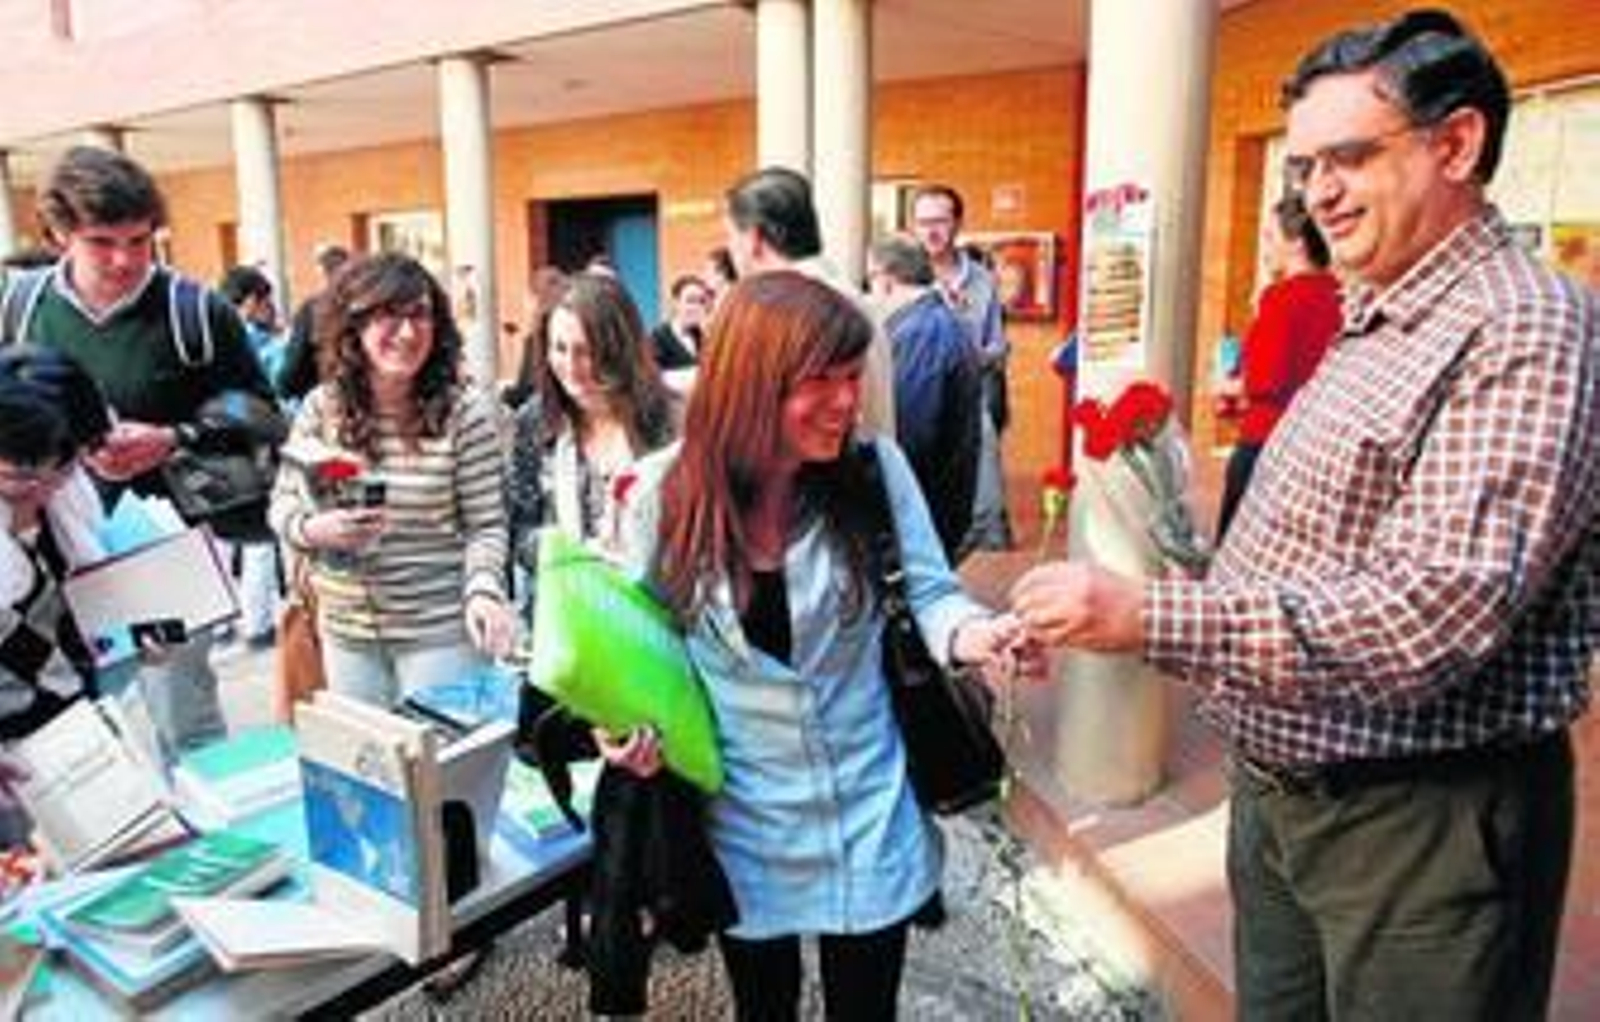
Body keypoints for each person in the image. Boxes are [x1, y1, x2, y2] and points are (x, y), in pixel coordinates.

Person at [1011, 10, 1599, 1020]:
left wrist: (1150, 613)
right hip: (1287, 791)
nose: (1317, 192)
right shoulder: (1374, 309)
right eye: (1303, 166)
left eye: (1349, 157)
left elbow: (1431, 611)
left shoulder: (1526, 322)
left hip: (1415, 818)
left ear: (1456, 143)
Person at [611, 271, 1027, 1020]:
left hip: (868, 806)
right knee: (762, 1010)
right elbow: (635, 646)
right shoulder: (660, 496)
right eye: (822, 381)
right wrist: (623, 730)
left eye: (852, 376)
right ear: (752, 381)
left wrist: (976, 635)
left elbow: (931, 593)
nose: (848, 401)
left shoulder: (875, 469)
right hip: (741, 820)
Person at [3, 146, 274, 758]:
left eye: (140, 240)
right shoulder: (17, 307)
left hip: (162, 543)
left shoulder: (196, 309)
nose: (125, 260)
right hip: (46, 554)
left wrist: (174, 438)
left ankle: (210, 850)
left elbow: (263, 412)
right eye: (103, 242)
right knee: (74, 730)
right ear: (57, 233)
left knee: (186, 717)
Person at [506, 272, 714, 1018]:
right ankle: (619, 960)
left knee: (649, 796)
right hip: (579, 649)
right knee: (620, 805)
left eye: (590, 351)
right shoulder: (536, 424)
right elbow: (517, 531)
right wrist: (570, 550)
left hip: (660, 643)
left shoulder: (670, 423)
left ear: (624, 347)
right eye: (559, 349)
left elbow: (702, 537)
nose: (574, 367)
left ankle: (646, 923)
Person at [268, 252, 514, 708]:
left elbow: (487, 524)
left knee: (443, 775)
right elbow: (282, 505)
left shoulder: (466, 413)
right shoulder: (322, 408)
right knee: (372, 776)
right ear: (354, 327)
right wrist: (313, 529)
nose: (407, 332)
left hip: (439, 632)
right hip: (345, 633)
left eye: (420, 315)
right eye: (388, 316)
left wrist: (483, 590)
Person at [721, 166, 896, 437]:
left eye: (730, 237)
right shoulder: (852, 296)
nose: (730, 250)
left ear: (754, 238)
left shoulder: (781, 309)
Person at [1215, 193, 1341, 540]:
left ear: (1297, 242)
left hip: (1264, 445)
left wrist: (1228, 388)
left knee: (1237, 555)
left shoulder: (1281, 297)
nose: (1265, 248)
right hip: (1316, 450)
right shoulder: (1344, 296)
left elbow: (1263, 382)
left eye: (1270, 237)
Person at [866, 233, 982, 561]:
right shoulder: (933, 321)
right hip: (937, 508)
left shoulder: (921, 332)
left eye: (869, 280)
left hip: (924, 513)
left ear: (885, 279)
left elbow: (907, 434)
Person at [911, 184, 1013, 554]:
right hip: (915, 391)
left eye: (940, 221)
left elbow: (997, 347)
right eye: (922, 222)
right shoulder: (904, 276)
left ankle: (985, 531)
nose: (931, 231)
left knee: (981, 435)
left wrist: (963, 350)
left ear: (957, 224)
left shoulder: (982, 281)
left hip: (968, 389)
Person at [218, 264, 290, 649]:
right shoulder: (258, 343)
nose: (271, 309)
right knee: (260, 538)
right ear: (250, 302)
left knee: (220, 540)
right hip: (251, 449)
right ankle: (257, 624)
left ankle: (220, 620)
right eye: (266, 302)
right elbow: (278, 391)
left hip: (211, 451)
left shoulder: (206, 335)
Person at [278, 243, 351, 402]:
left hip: (324, 399)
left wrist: (283, 390)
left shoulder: (312, 308)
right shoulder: (366, 305)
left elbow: (294, 365)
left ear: (323, 273)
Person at [648, 272, 713, 395]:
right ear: (675, 302)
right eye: (690, 300)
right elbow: (652, 381)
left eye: (701, 301)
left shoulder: (705, 335)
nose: (697, 307)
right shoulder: (658, 337)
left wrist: (708, 334)